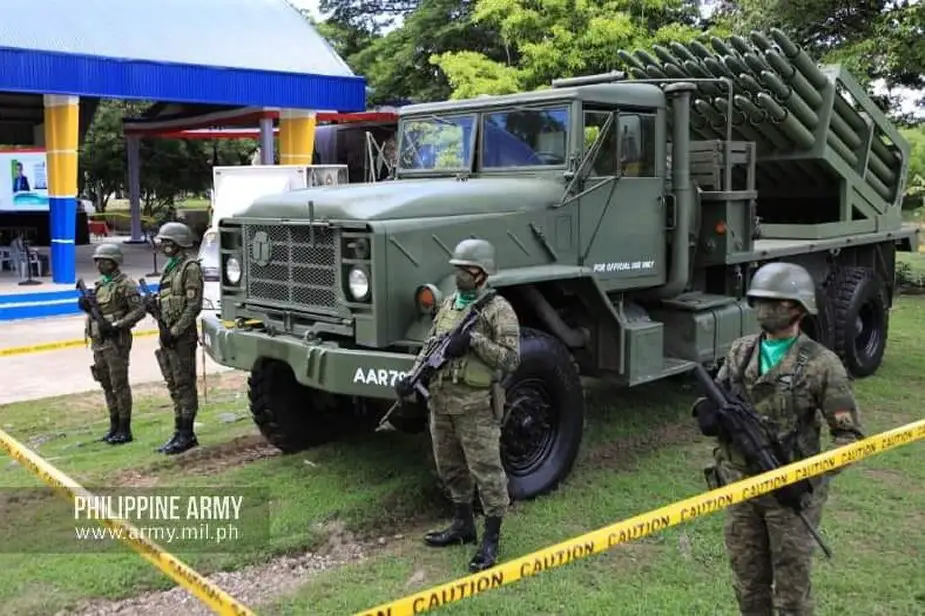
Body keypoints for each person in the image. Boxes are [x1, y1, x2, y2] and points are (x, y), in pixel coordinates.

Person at [694, 261, 864, 616]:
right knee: (748, 583)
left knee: (791, 595)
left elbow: (850, 439)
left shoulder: (821, 364)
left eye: (776, 302)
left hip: (790, 497)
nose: (764, 309)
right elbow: (720, 399)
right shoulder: (741, 352)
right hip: (740, 488)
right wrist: (709, 415)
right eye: (760, 301)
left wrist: (808, 476)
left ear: (799, 308)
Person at [395, 238, 521, 573]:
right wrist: (410, 377)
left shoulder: (499, 309)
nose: (458, 276)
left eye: (464, 270)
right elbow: (429, 347)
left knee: (488, 474)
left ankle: (491, 539)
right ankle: (463, 525)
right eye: (457, 270)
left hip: (475, 407)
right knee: (450, 468)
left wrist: (475, 341)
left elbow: (511, 359)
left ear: (480, 273)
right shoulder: (449, 304)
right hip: (441, 403)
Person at [78, 243, 146, 444]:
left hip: (116, 342)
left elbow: (139, 311)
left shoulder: (126, 284)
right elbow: (97, 311)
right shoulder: (101, 284)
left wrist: (117, 325)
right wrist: (86, 308)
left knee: (119, 385)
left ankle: (125, 429)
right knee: (106, 383)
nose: (98, 264)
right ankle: (114, 426)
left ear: (113, 262)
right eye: (96, 260)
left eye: (102, 260)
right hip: (98, 341)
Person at [152, 221, 204, 455]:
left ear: (178, 243)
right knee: (173, 383)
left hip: (181, 337)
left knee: (184, 384)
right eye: (162, 242)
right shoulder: (170, 268)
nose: (163, 246)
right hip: (168, 334)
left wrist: (174, 332)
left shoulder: (189, 268)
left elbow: (193, 306)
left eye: (167, 242)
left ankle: (187, 432)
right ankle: (178, 430)